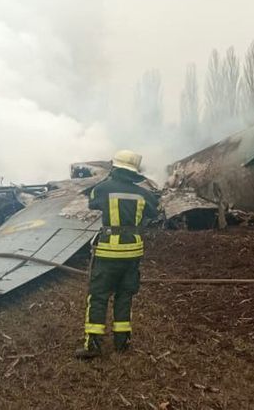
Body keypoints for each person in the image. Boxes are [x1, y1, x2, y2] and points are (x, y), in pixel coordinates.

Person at [75, 150, 159, 359]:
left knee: (99, 296)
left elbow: (92, 202)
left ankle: (93, 345)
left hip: (108, 253)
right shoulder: (144, 194)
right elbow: (153, 211)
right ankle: (122, 342)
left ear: (115, 167)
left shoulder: (103, 189)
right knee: (125, 296)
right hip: (132, 254)